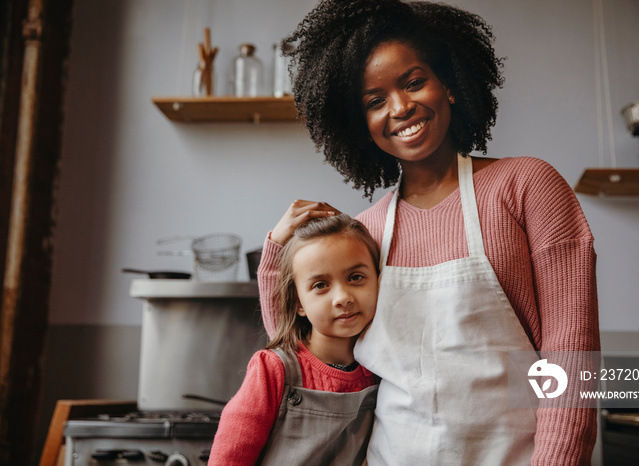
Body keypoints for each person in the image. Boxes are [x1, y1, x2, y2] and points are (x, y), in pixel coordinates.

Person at [257, 0, 600, 464]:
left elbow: (569, 359)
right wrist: (275, 254)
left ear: (450, 85)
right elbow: (312, 355)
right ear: (361, 125)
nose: (399, 107)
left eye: (414, 82)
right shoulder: (367, 231)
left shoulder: (527, 186)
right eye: (374, 102)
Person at [209, 213, 380, 465]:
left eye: (355, 277)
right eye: (321, 285)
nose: (343, 297)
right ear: (298, 303)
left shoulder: (380, 369)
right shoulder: (274, 369)